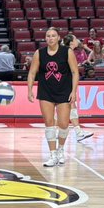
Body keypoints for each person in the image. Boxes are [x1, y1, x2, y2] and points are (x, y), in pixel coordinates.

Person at [27, 27, 79, 167]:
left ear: (58, 38)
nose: (50, 38)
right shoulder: (39, 53)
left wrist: (74, 91)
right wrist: (30, 89)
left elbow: (75, 72)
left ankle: (61, 149)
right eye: (48, 36)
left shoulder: (67, 52)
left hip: (64, 91)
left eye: (53, 36)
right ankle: (52, 154)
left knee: (63, 123)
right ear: (45, 38)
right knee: (49, 123)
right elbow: (32, 73)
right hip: (46, 92)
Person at [65, 35, 94, 142]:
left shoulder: (67, 51)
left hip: (65, 82)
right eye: (76, 39)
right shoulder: (68, 52)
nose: (78, 40)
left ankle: (78, 132)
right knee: (70, 106)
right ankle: (77, 132)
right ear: (72, 42)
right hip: (65, 83)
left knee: (70, 107)